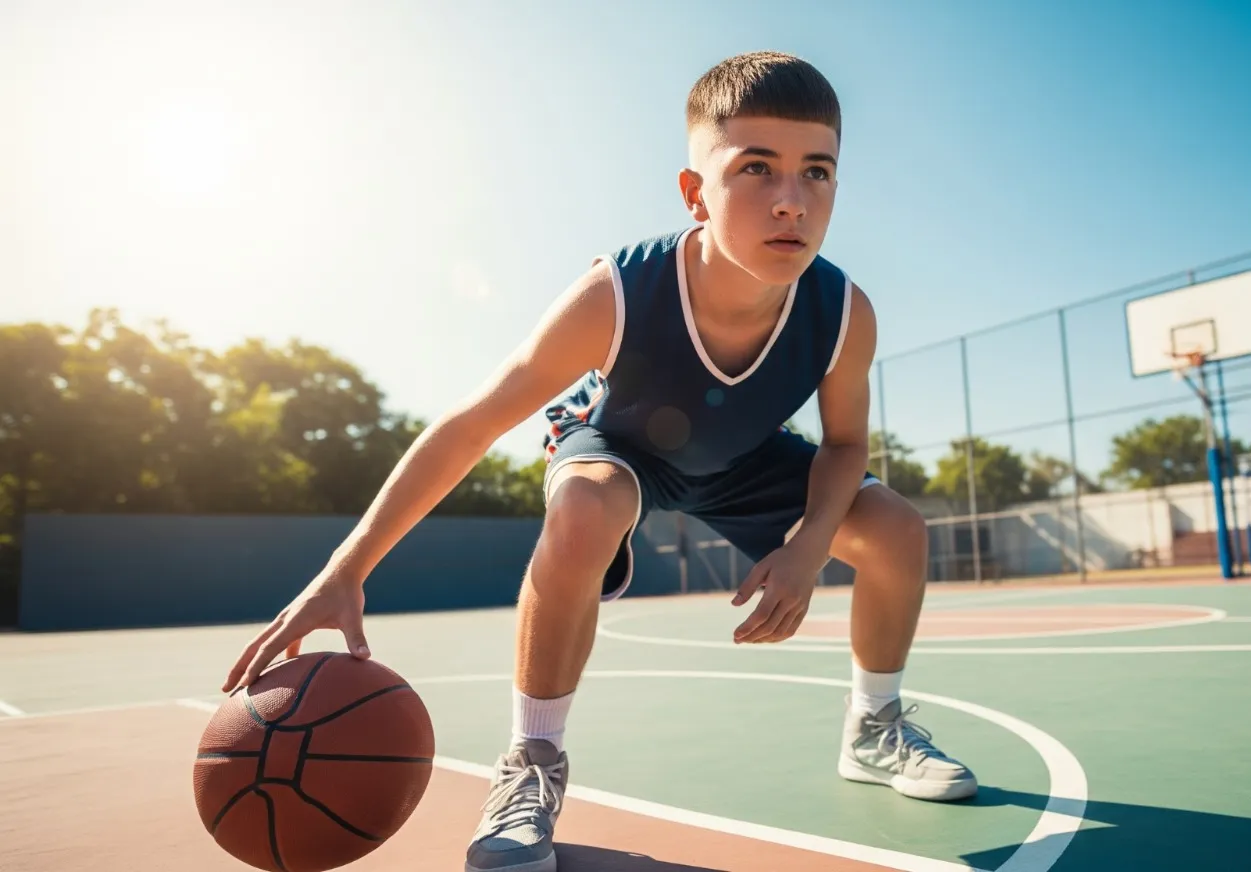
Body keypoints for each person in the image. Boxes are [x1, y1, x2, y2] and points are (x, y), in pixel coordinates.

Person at [222, 51, 977, 872]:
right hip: (621, 446)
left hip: (747, 458)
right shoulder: (617, 293)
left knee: (897, 528)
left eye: (817, 172)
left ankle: (874, 726)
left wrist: (804, 549)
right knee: (584, 507)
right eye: (756, 168)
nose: (792, 198)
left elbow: (844, 446)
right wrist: (347, 565)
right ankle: (531, 763)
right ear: (695, 193)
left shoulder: (840, 311)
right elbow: (473, 423)